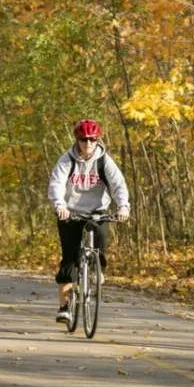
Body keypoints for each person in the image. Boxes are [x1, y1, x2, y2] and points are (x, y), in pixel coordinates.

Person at [48, 119, 130, 323]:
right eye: (84, 140)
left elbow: (118, 185)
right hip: (71, 211)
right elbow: (56, 183)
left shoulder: (104, 161)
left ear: (97, 140)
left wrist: (123, 206)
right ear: (77, 140)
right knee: (69, 258)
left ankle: (96, 269)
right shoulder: (67, 160)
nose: (88, 144)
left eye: (92, 140)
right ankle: (65, 307)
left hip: (97, 210)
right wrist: (60, 205)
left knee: (101, 239)